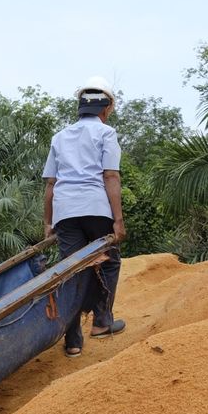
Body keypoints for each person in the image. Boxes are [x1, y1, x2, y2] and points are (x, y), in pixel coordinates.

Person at [42, 75, 127, 358]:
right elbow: (111, 176)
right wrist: (118, 219)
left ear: (80, 108)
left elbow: (50, 185)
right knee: (110, 262)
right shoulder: (106, 134)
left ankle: (73, 340)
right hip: (96, 208)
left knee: (71, 270)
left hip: (65, 212)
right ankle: (102, 321)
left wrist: (48, 223)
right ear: (106, 109)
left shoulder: (60, 137)